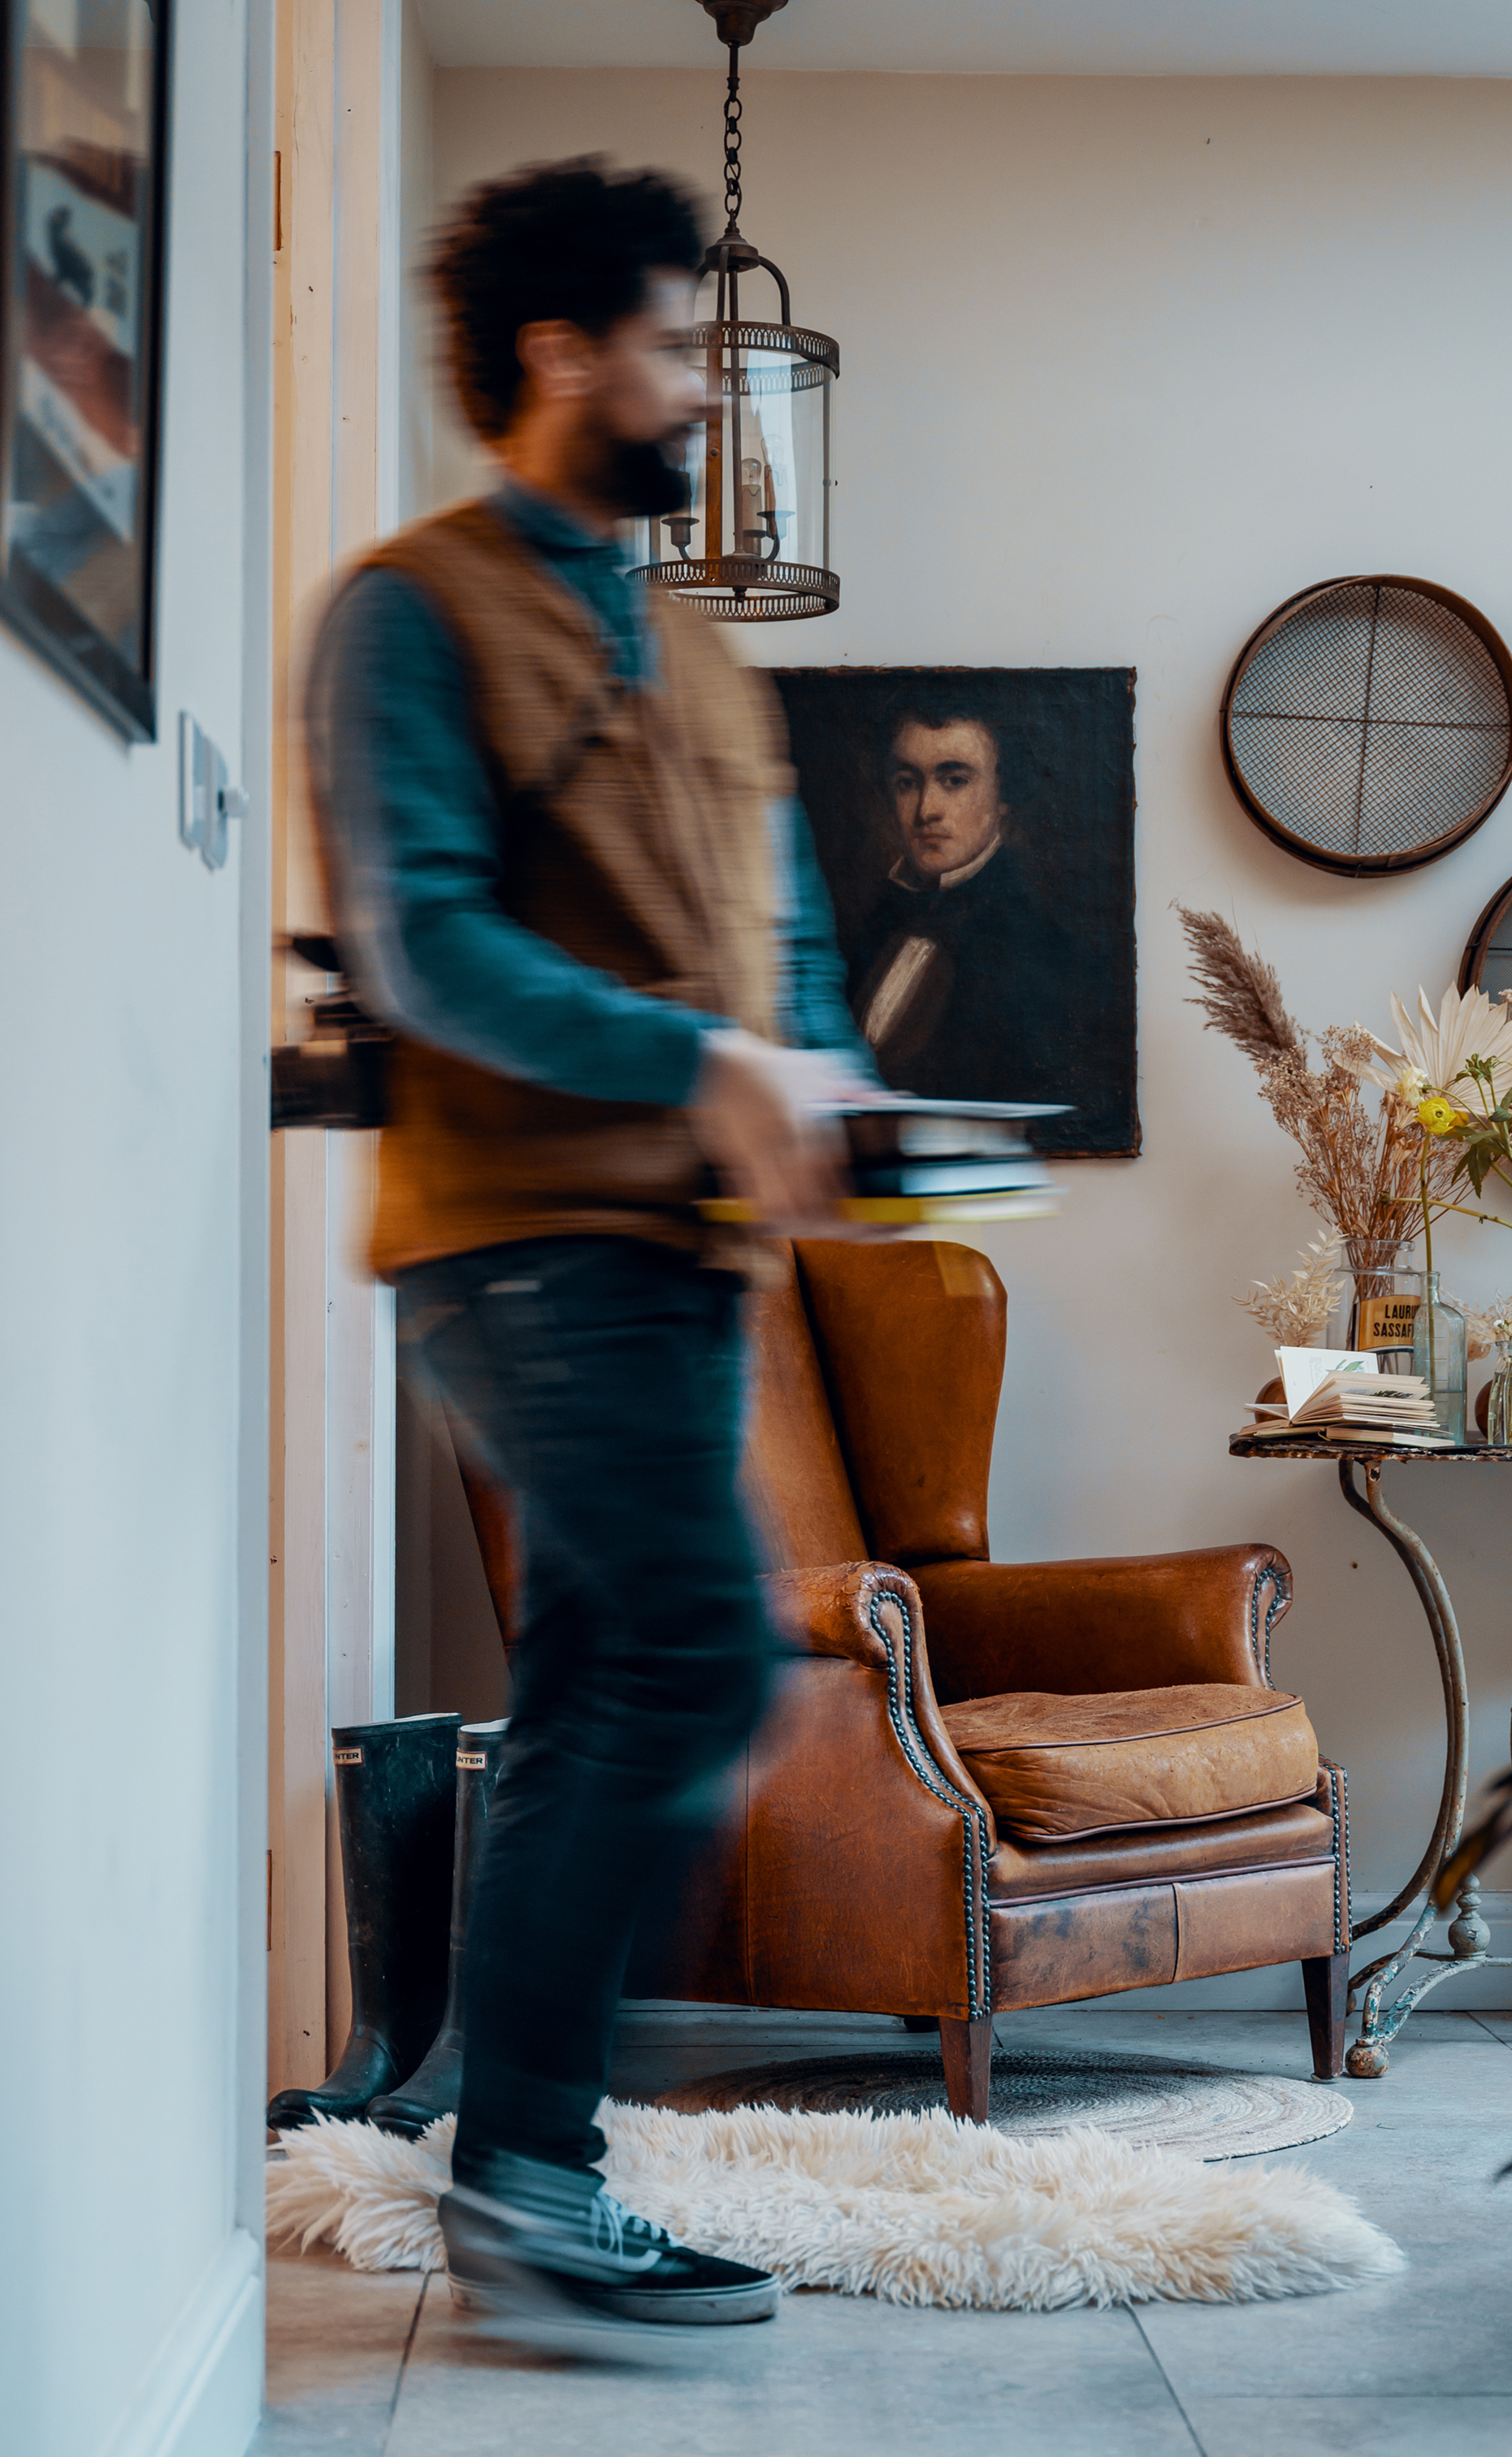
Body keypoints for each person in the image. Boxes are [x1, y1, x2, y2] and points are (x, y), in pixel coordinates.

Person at [304, 156, 877, 2349]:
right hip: (523, 1239)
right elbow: (420, 939)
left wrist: (820, 1084)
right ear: (559, 352)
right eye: (667, 343)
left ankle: (534, 2168)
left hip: (687, 1259)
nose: (695, 391)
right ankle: (529, 2189)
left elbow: (789, 949)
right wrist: (702, 1060)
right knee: (696, 1658)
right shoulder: (410, 611)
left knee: (586, 1686)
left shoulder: (702, 655)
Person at [847, 691, 1076, 1106]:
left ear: (1004, 796)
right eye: (907, 783)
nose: (926, 810)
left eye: (954, 781)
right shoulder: (872, 925)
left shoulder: (1040, 952)